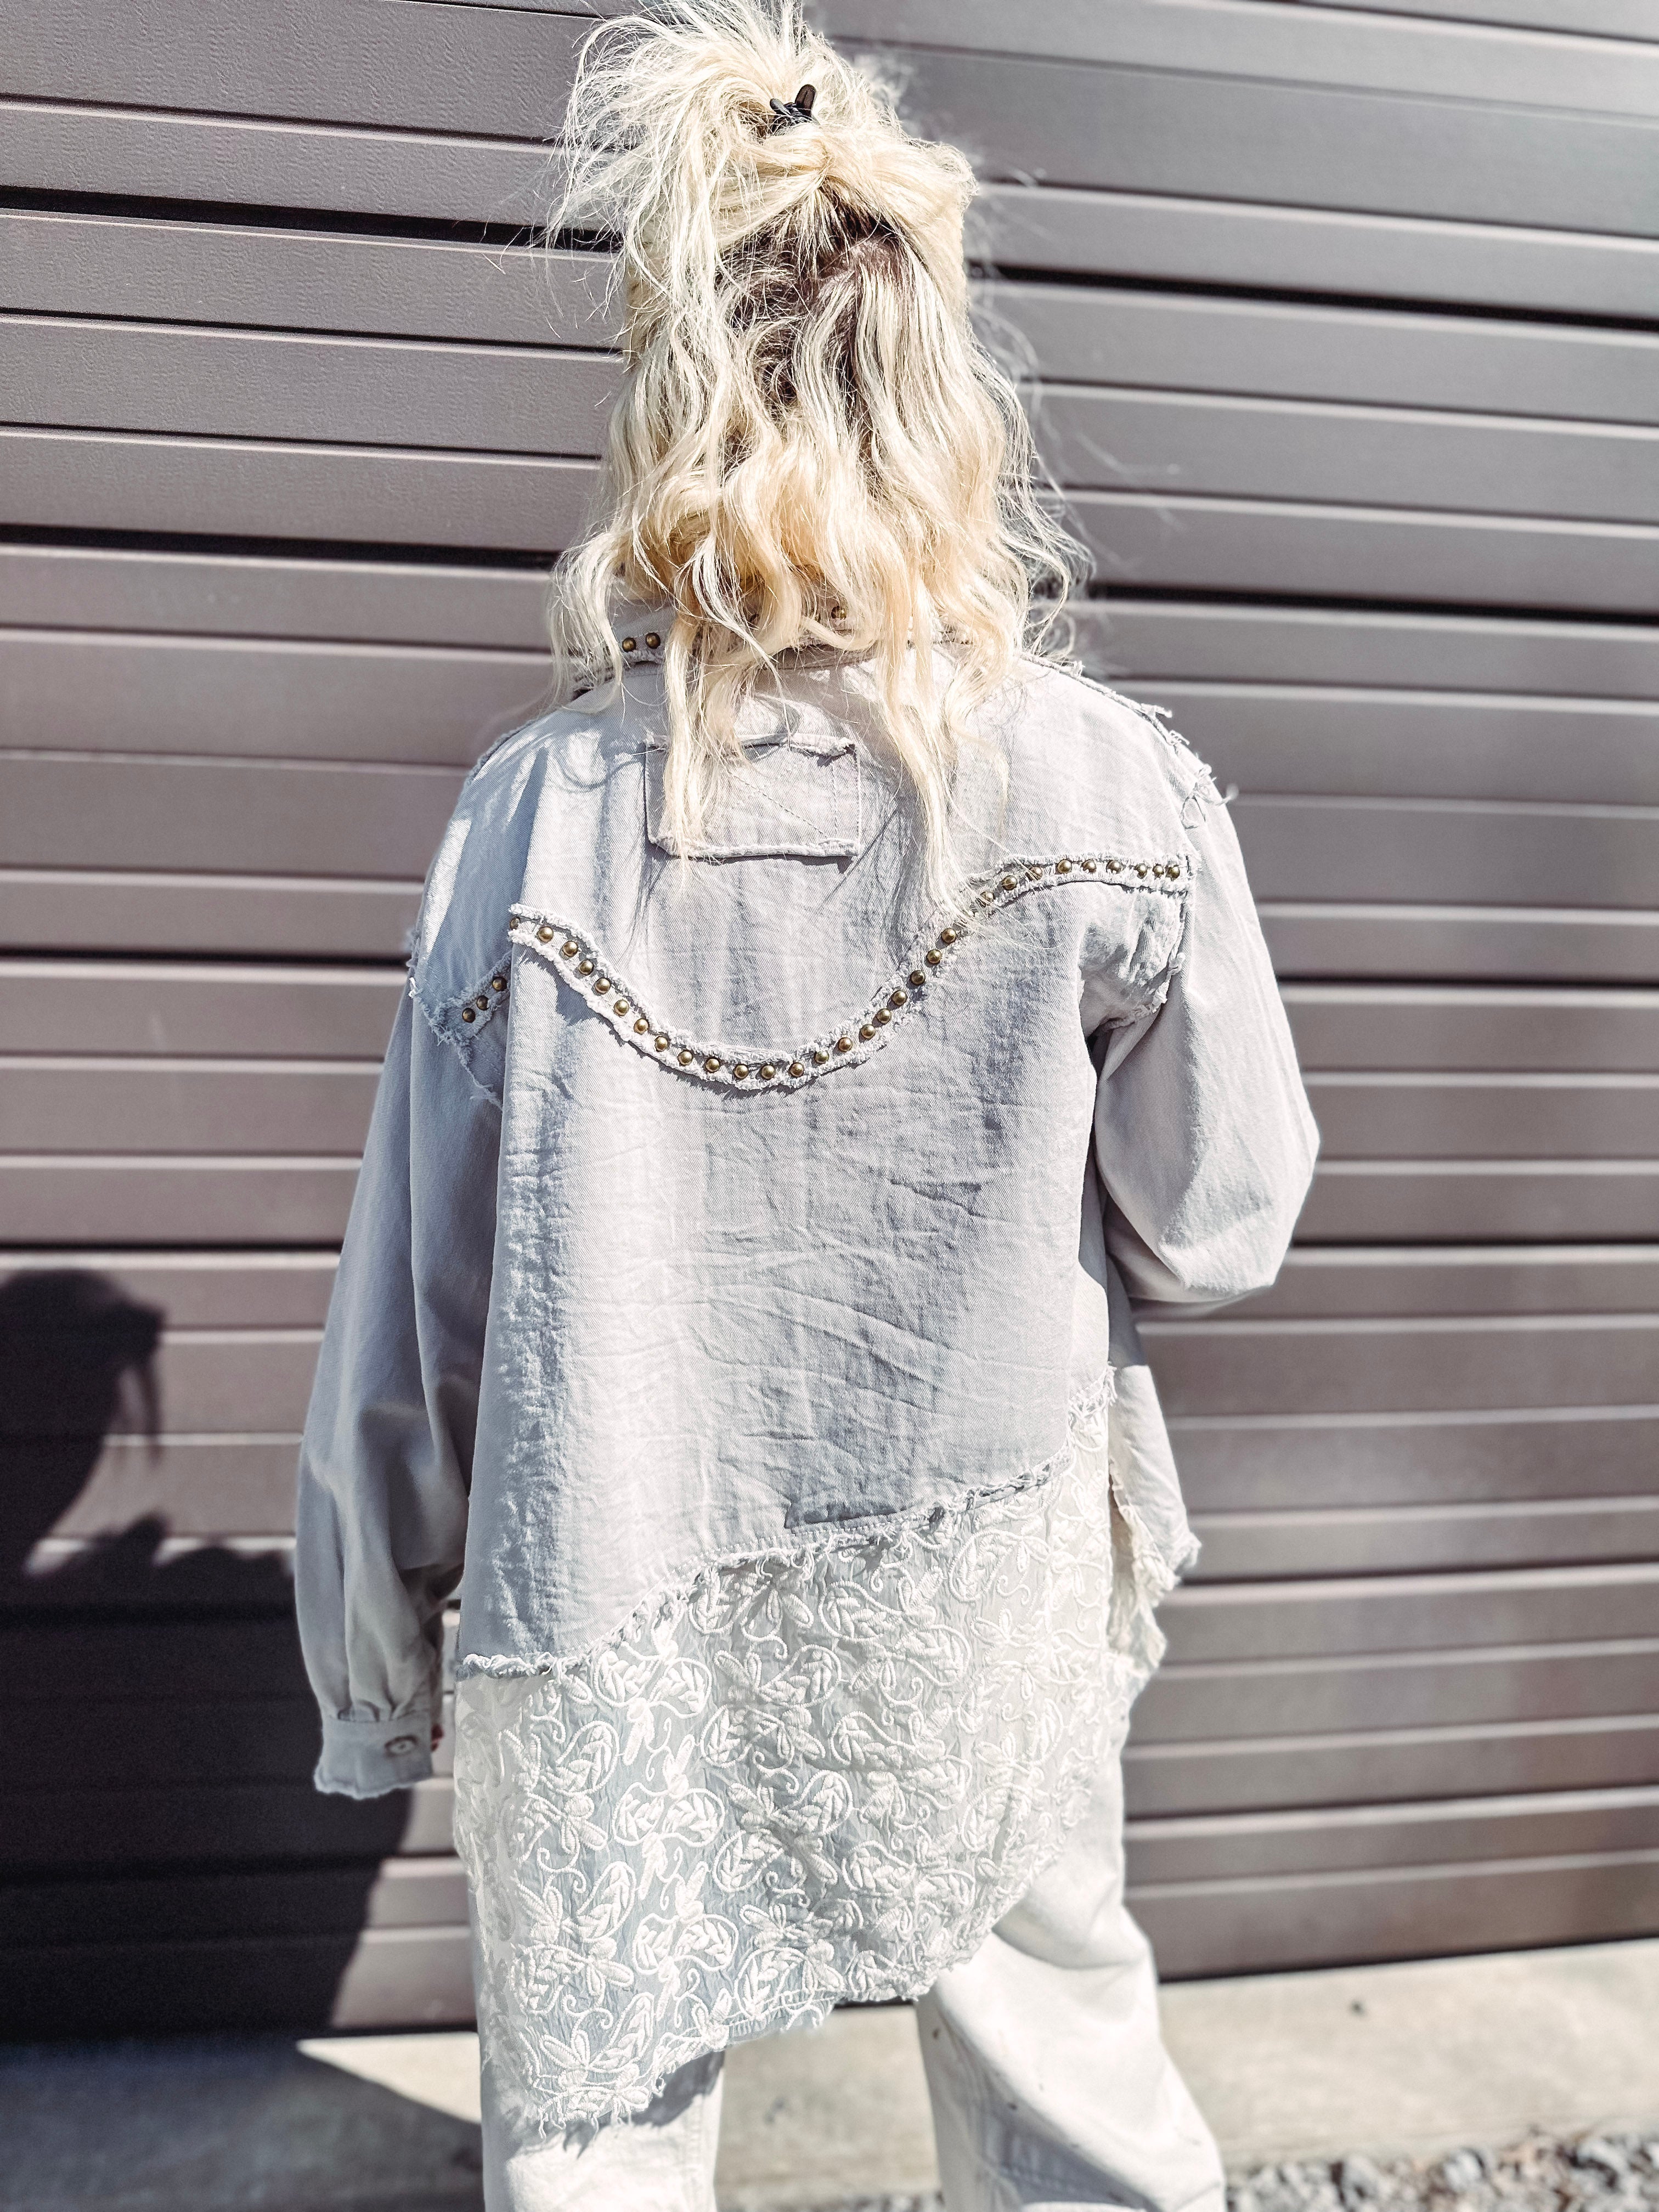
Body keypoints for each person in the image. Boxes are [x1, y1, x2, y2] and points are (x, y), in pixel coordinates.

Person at [295, 3, 1318, 2205]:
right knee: (1071, 2097)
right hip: (982, 1567)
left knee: (597, 2110)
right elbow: (1220, 1226)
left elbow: (415, 1316)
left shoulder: (541, 820)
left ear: (673, 391)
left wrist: (379, 1650)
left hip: (620, 1582)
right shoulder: (1103, 791)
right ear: (945, 386)